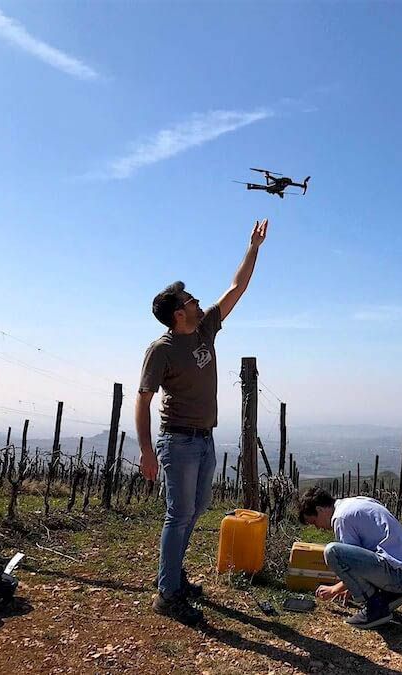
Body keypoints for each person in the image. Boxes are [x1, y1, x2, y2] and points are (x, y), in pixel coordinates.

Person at [136, 218, 269, 626]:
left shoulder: (204, 331)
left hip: (204, 439)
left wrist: (254, 248)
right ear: (179, 313)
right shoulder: (161, 349)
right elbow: (142, 400)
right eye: (191, 300)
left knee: (196, 510)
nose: (198, 302)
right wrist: (146, 451)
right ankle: (167, 593)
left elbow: (237, 289)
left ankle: (173, 577)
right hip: (176, 442)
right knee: (178, 514)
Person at [298, 487, 402, 629]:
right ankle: (388, 596)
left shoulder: (340, 518)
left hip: (399, 576)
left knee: (332, 552)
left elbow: (350, 564)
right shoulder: (354, 503)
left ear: (320, 510)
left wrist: (334, 589)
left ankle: (375, 607)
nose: (318, 527)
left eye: (314, 522)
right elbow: (364, 556)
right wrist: (350, 585)